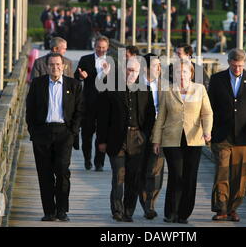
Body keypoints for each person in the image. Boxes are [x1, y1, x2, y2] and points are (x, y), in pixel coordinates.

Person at [152, 59, 213, 224]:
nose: (181, 75)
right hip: (172, 139)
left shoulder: (199, 89)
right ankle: (171, 212)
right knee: (176, 175)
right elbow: (161, 117)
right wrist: (156, 140)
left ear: (191, 73)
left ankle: (184, 213)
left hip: (194, 139)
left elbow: (207, 113)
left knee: (190, 176)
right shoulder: (168, 90)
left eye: (185, 72)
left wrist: (207, 131)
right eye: (178, 72)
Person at [208, 48, 246, 222]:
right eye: (234, 66)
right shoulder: (217, 80)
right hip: (221, 134)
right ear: (229, 63)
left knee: (239, 175)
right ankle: (221, 208)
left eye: (240, 66)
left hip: (243, 135)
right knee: (222, 172)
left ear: (244, 63)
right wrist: (208, 130)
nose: (237, 69)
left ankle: (233, 208)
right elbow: (209, 107)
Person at [97, 57, 156, 222]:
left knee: (133, 177)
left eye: (135, 70)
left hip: (137, 137)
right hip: (116, 138)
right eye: (129, 70)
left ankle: (128, 211)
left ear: (140, 72)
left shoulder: (145, 89)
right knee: (118, 176)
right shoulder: (111, 89)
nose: (131, 73)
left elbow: (150, 116)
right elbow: (102, 117)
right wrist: (101, 140)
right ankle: (117, 210)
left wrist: (144, 135)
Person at [26, 52, 83, 222]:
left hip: (64, 133)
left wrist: (72, 132)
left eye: (58, 64)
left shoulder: (73, 85)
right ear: (47, 66)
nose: (55, 67)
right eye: (52, 65)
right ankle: (49, 211)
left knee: (62, 171)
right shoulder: (37, 84)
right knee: (45, 174)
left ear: (63, 66)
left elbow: (79, 111)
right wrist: (34, 132)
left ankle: (62, 210)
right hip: (42, 133)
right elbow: (30, 110)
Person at [74, 36, 111, 171]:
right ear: (94, 46)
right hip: (88, 102)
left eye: (103, 48)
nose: (101, 50)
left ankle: (99, 162)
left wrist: (108, 74)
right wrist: (81, 76)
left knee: (102, 134)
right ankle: (87, 159)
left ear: (107, 48)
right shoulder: (85, 59)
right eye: (98, 47)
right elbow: (75, 75)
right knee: (87, 133)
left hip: (105, 103)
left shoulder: (112, 61)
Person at [138, 53, 164, 220]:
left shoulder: (166, 86)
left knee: (156, 170)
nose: (159, 69)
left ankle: (150, 205)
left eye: (160, 66)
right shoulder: (134, 84)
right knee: (141, 169)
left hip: (159, 130)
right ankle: (144, 201)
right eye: (156, 66)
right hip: (139, 131)